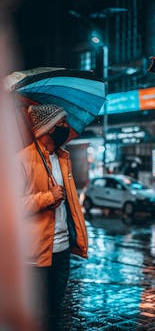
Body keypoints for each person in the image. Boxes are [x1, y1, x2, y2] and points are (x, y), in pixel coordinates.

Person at [17, 104, 88, 330]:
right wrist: (48, 197)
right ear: (48, 128)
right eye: (62, 124)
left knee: (54, 312)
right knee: (36, 314)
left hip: (62, 251)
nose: (66, 128)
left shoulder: (62, 157)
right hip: (35, 255)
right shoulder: (22, 160)